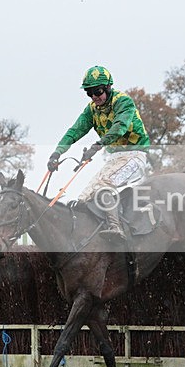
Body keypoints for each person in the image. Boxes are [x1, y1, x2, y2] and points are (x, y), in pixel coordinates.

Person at [47, 65, 150, 240]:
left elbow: (120, 127)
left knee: (103, 186)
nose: (94, 97)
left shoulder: (123, 102)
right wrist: (56, 153)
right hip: (116, 158)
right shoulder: (91, 110)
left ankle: (116, 228)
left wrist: (97, 145)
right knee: (84, 197)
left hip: (135, 155)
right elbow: (74, 131)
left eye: (98, 91)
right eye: (89, 93)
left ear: (109, 87)